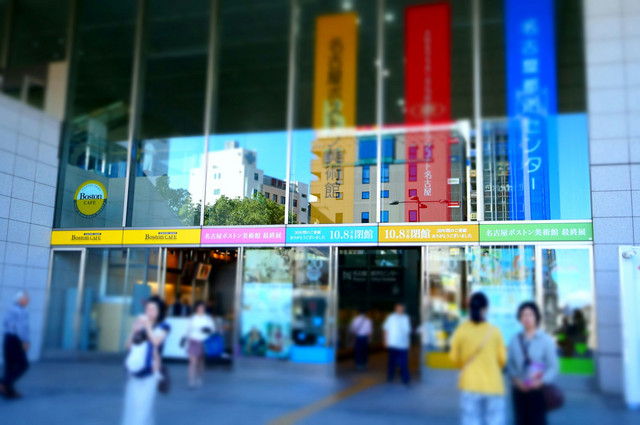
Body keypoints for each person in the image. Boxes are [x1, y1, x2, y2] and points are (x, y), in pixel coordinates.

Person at [449, 293, 507, 425]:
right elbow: (502, 359)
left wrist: (463, 366)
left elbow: (453, 357)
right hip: (494, 385)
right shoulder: (494, 331)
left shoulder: (462, 330)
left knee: (471, 421)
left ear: (469, 308)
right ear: (486, 309)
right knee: (495, 421)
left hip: (470, 384)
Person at [507, 302, 559, 425]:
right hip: (519, 391)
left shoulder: (545, 340)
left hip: (538, 392)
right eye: (523, 315)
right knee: (520, 421)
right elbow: (510, 364)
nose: (527, 318)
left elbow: (553, 367)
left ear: (536, 317)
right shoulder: (515, 339)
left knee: (537, 421)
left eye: (530, 314)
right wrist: (516, 381)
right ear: (520, 318)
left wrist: (541, 382)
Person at [122, 296, 170, 425]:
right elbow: (128, 346)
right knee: (132, 405)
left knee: (143, 406)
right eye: (148, 308)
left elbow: (156, 342)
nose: (149, 312)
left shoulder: (164, 326)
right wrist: (133, 331)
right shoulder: (141, 325)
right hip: (134, 370)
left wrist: (148, 326)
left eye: (153, 309)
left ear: (160, 311)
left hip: (150, 371)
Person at [0, 291, 30, 399]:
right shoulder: (21, 311)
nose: (28, 299)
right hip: (15, 339)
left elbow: (5, 323)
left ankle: (9, 392)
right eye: (26, 298)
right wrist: (25, 341)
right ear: (20, 299)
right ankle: (4, 383)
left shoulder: (12, 310)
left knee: (10, 366)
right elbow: (20, 328)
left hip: (8, 338)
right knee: (23, 365)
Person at [184, 301, 216, 389]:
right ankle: (191, 381)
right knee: (192, 362)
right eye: (199, 307)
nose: (201, 309)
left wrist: (207, 330)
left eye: (202, 308)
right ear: (196, 308)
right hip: (193, 341)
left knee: (200, 362)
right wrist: (185, 339)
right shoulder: (192, 318)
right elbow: (188, 330)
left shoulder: (208, 319)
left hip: (204, 342)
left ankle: (199, 378)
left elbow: (213, 330)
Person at [383, 303, 412, 385]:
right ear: (395, 308)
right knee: (392, 362)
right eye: (398, 307)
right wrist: (385, 340)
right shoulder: (391, 317)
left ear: (403, 308)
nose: (400, 309)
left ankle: (405, 378)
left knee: (404, 362)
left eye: (401, 307)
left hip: (403, 344)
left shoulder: (406, 318)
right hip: (393, 343)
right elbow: (385, 329)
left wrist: (408, 345)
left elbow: (407, 332)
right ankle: (390, 376)